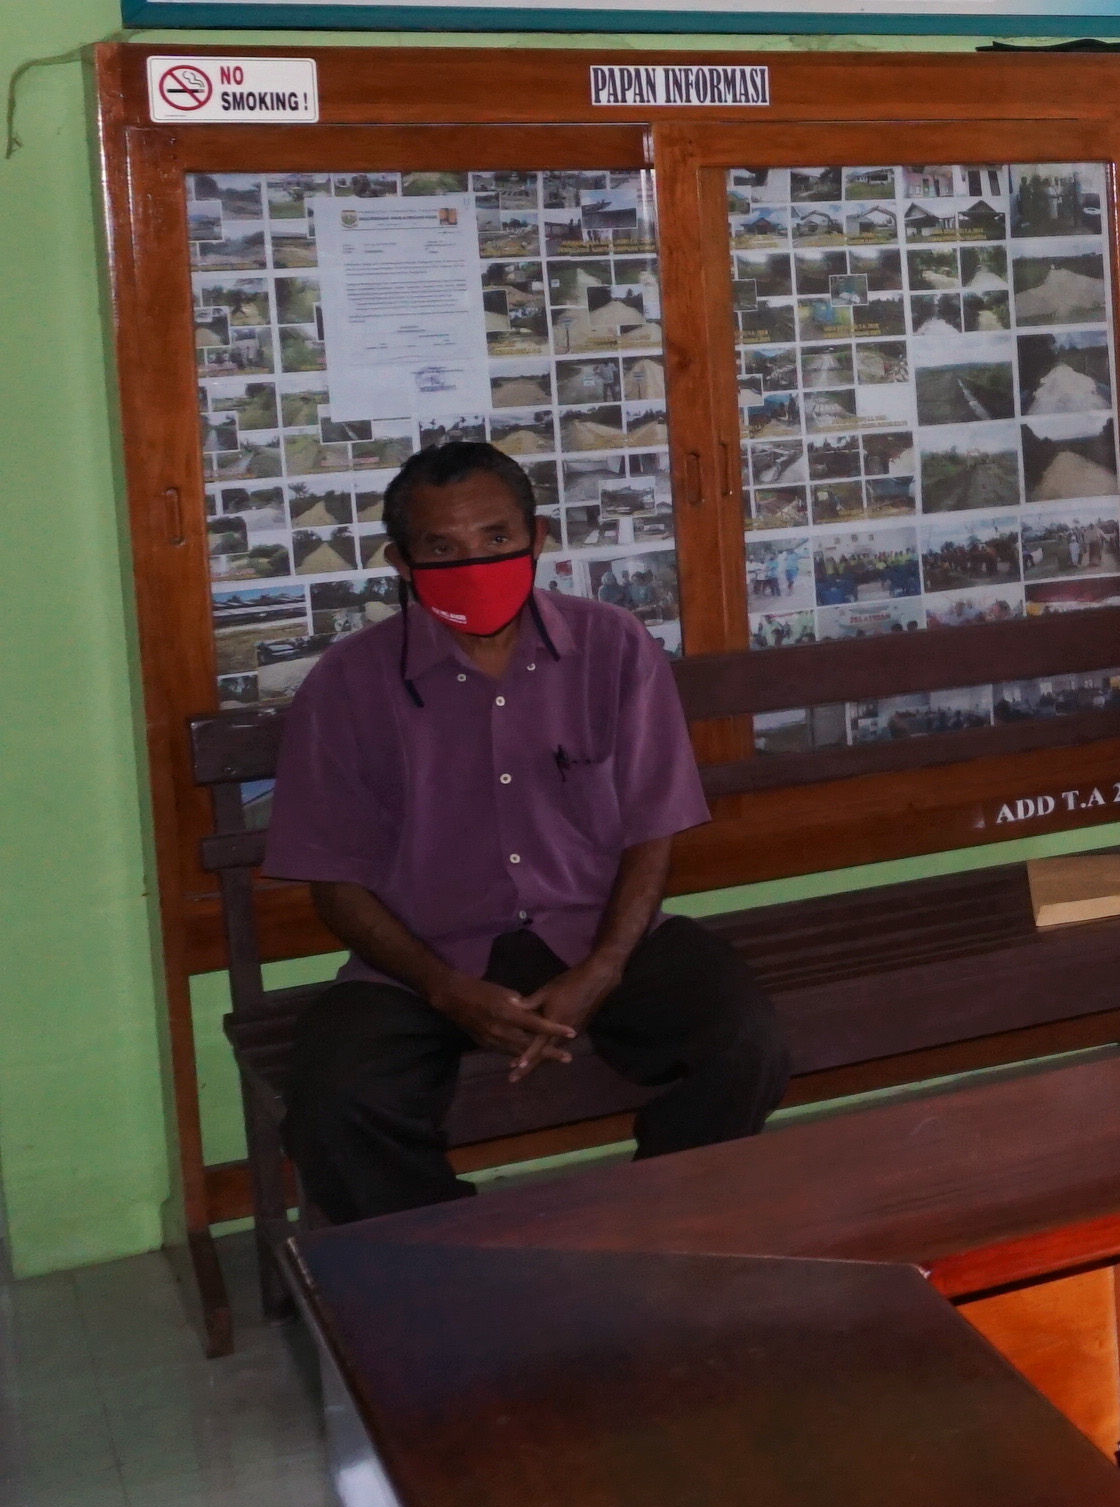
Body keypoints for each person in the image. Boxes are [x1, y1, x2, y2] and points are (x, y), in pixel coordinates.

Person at [264, 442, 790, 1221]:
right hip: (423, 954)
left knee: (744, 1044)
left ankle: (661, 1225)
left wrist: (606, 967)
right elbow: (334, 879)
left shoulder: (611, 647)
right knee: (334, 1106)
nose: (474, 564)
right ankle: (464, 1272)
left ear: (536, 539)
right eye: (442, 549)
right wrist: (444, 988)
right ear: (401, 563)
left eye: (496, 540)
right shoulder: (348, 684)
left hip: (595, 927)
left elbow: (653, 824)